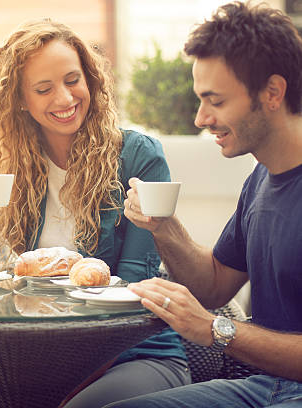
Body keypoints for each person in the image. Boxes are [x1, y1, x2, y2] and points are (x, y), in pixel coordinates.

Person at [0, 19, 191, 407]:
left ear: (90, 80)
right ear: (20, 100)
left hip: (135, 355)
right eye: (44, 88)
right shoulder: (4, 166)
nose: (65, 98)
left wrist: (58, 382)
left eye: (73, 80)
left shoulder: (137, 156)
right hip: (39, 358)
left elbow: (134, 288)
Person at [109, 2, 302, 407]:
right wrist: (163, 226)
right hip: (262, 388)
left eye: (214, 101)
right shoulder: (261, 181)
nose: (200, 118)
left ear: (272, 92)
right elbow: (213, 283)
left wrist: (217, 330)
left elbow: (213, 316)